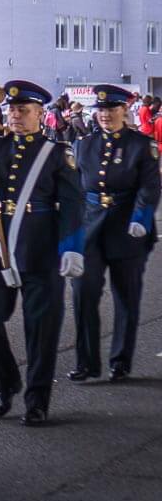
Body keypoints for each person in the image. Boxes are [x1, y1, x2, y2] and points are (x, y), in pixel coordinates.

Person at [0, 80, 84, 426]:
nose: (15, 115)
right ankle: (6, 383)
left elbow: (73, 203)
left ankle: (37, 399)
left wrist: (73, 247)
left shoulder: (57, 153)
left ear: (40, 114)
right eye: (11, 109)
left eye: (23, 110)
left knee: (41, 329)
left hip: (41, 248)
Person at [68, 85, 160, 383]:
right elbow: (76, 190)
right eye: (101, 110)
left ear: (125, 110)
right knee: (83, 293)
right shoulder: (84, 144)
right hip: (90, 228)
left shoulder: (141, 145)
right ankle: (86, 362)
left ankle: (120, 360)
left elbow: (149, 187)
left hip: (127, 228)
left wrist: (141, 217)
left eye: (111, 110)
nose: (105, 115)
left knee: (126, 296)